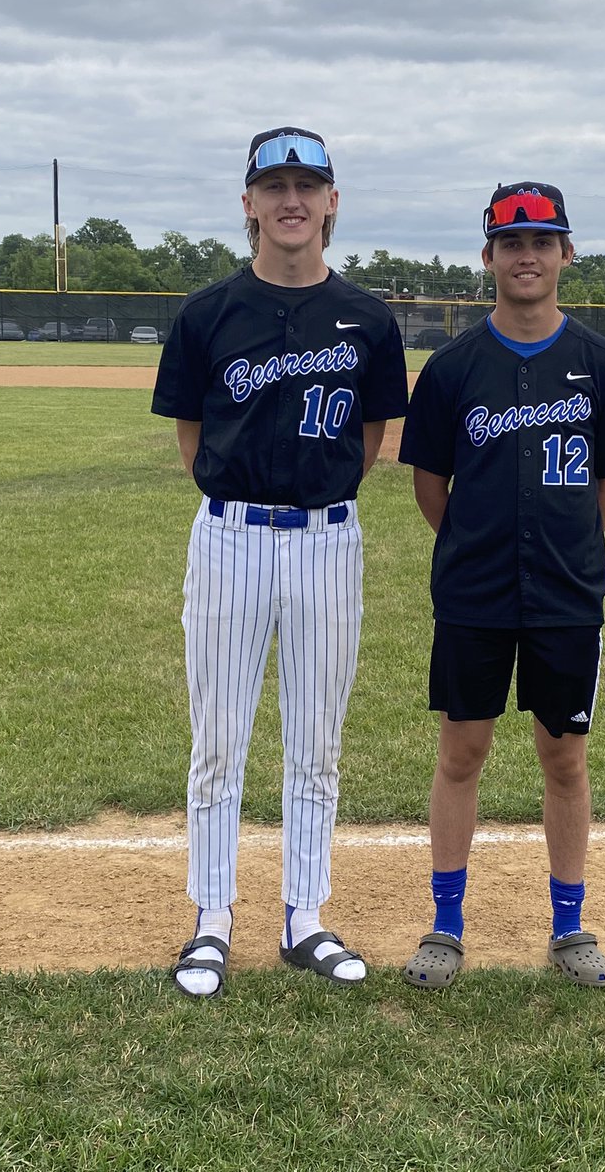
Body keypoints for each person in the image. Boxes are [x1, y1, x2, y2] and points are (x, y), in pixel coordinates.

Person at [152, 127, 408, 997]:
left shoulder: (371, 318)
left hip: (328, 540)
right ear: (249, 203)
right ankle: (212, 918)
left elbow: (370, 439)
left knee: (316, 744)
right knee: (218, 742)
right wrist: (240, 503)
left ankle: (306, 915)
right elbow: (193, 439)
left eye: (308, 184)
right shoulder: (206, 313)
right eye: (274, 186)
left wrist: (311, 502)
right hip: (227, 537)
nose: (290, 200)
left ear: (332, 202)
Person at [398, 181, 605, 989]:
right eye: (512, 243)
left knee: (565, 756)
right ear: (489, 259)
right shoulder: (453, 368)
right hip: (473, 595)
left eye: (543, 240)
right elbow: (430, 486)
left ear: (567, 254)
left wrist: (558, 551)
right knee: (462, 752)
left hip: (566, 597)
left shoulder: (601, 366)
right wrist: (482, 547)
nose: (528, 255)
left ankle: (570, 925)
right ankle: (445, 924)